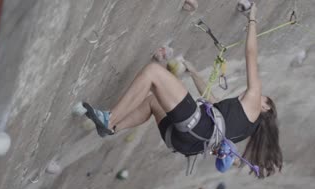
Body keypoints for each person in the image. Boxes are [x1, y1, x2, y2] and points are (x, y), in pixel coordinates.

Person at [83, 4, 282, 177]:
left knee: (153, 72)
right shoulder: (243, 129)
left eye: (265, 98)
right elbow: (212, 100)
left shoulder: (255, 104)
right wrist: (193, 71)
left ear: (265, 107)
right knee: (153, 101)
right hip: (185, 143)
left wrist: (252, 17)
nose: (260, 96)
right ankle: (113, 127)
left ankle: (110, 119)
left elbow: (251, 54)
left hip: (195, 125)